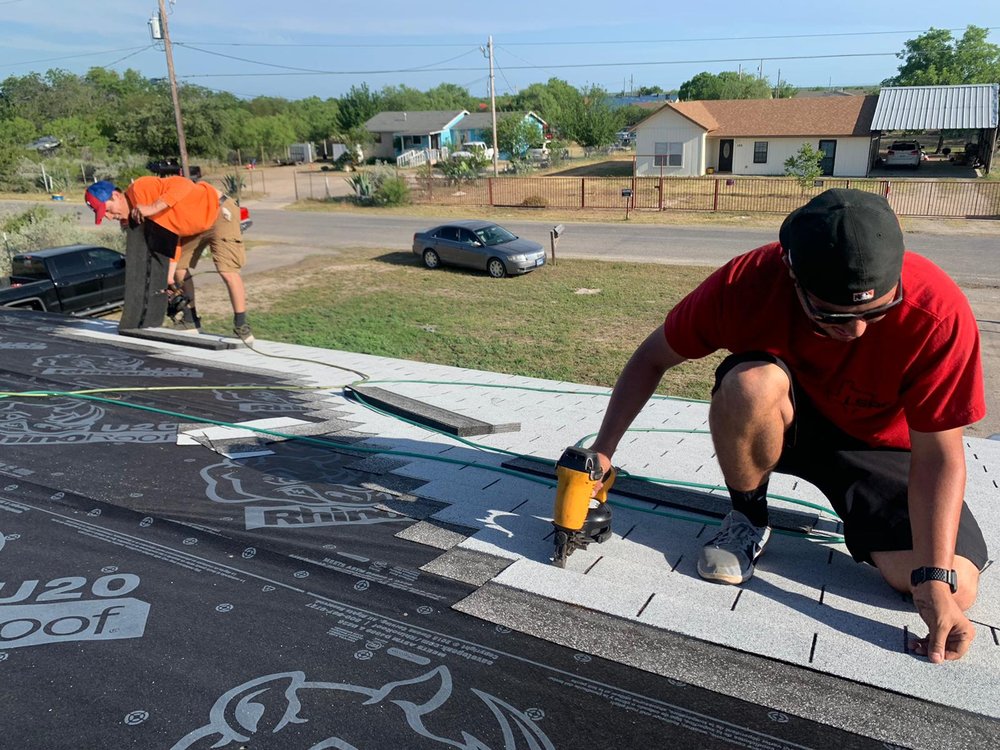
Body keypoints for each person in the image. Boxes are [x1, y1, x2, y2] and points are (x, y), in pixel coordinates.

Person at [588, 188, 987, 664]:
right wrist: (603, 449)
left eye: (875, 312)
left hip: (878, 447)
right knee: (749, 384)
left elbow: (940, 455)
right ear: (792, 273)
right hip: (787, 419)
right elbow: (652, 358)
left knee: (954, 585)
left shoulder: (937, 312)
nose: (856, 332)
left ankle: (865, 523)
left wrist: (934, 582)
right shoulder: (747, 283)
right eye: (831, 316)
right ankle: (748, 517)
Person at [85, 176, 253, 343]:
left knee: (226, 270)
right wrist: (169, 277)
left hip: (218, 211)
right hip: (193, 227)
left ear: (115, 196)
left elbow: (183, 184)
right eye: (102, 214)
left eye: (107, 210)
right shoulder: (138, 217)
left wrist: (153, 207)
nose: (108, 216)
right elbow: (173, 238)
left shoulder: (140, 189)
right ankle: (190, 320)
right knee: (178, 269)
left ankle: (242, 326)